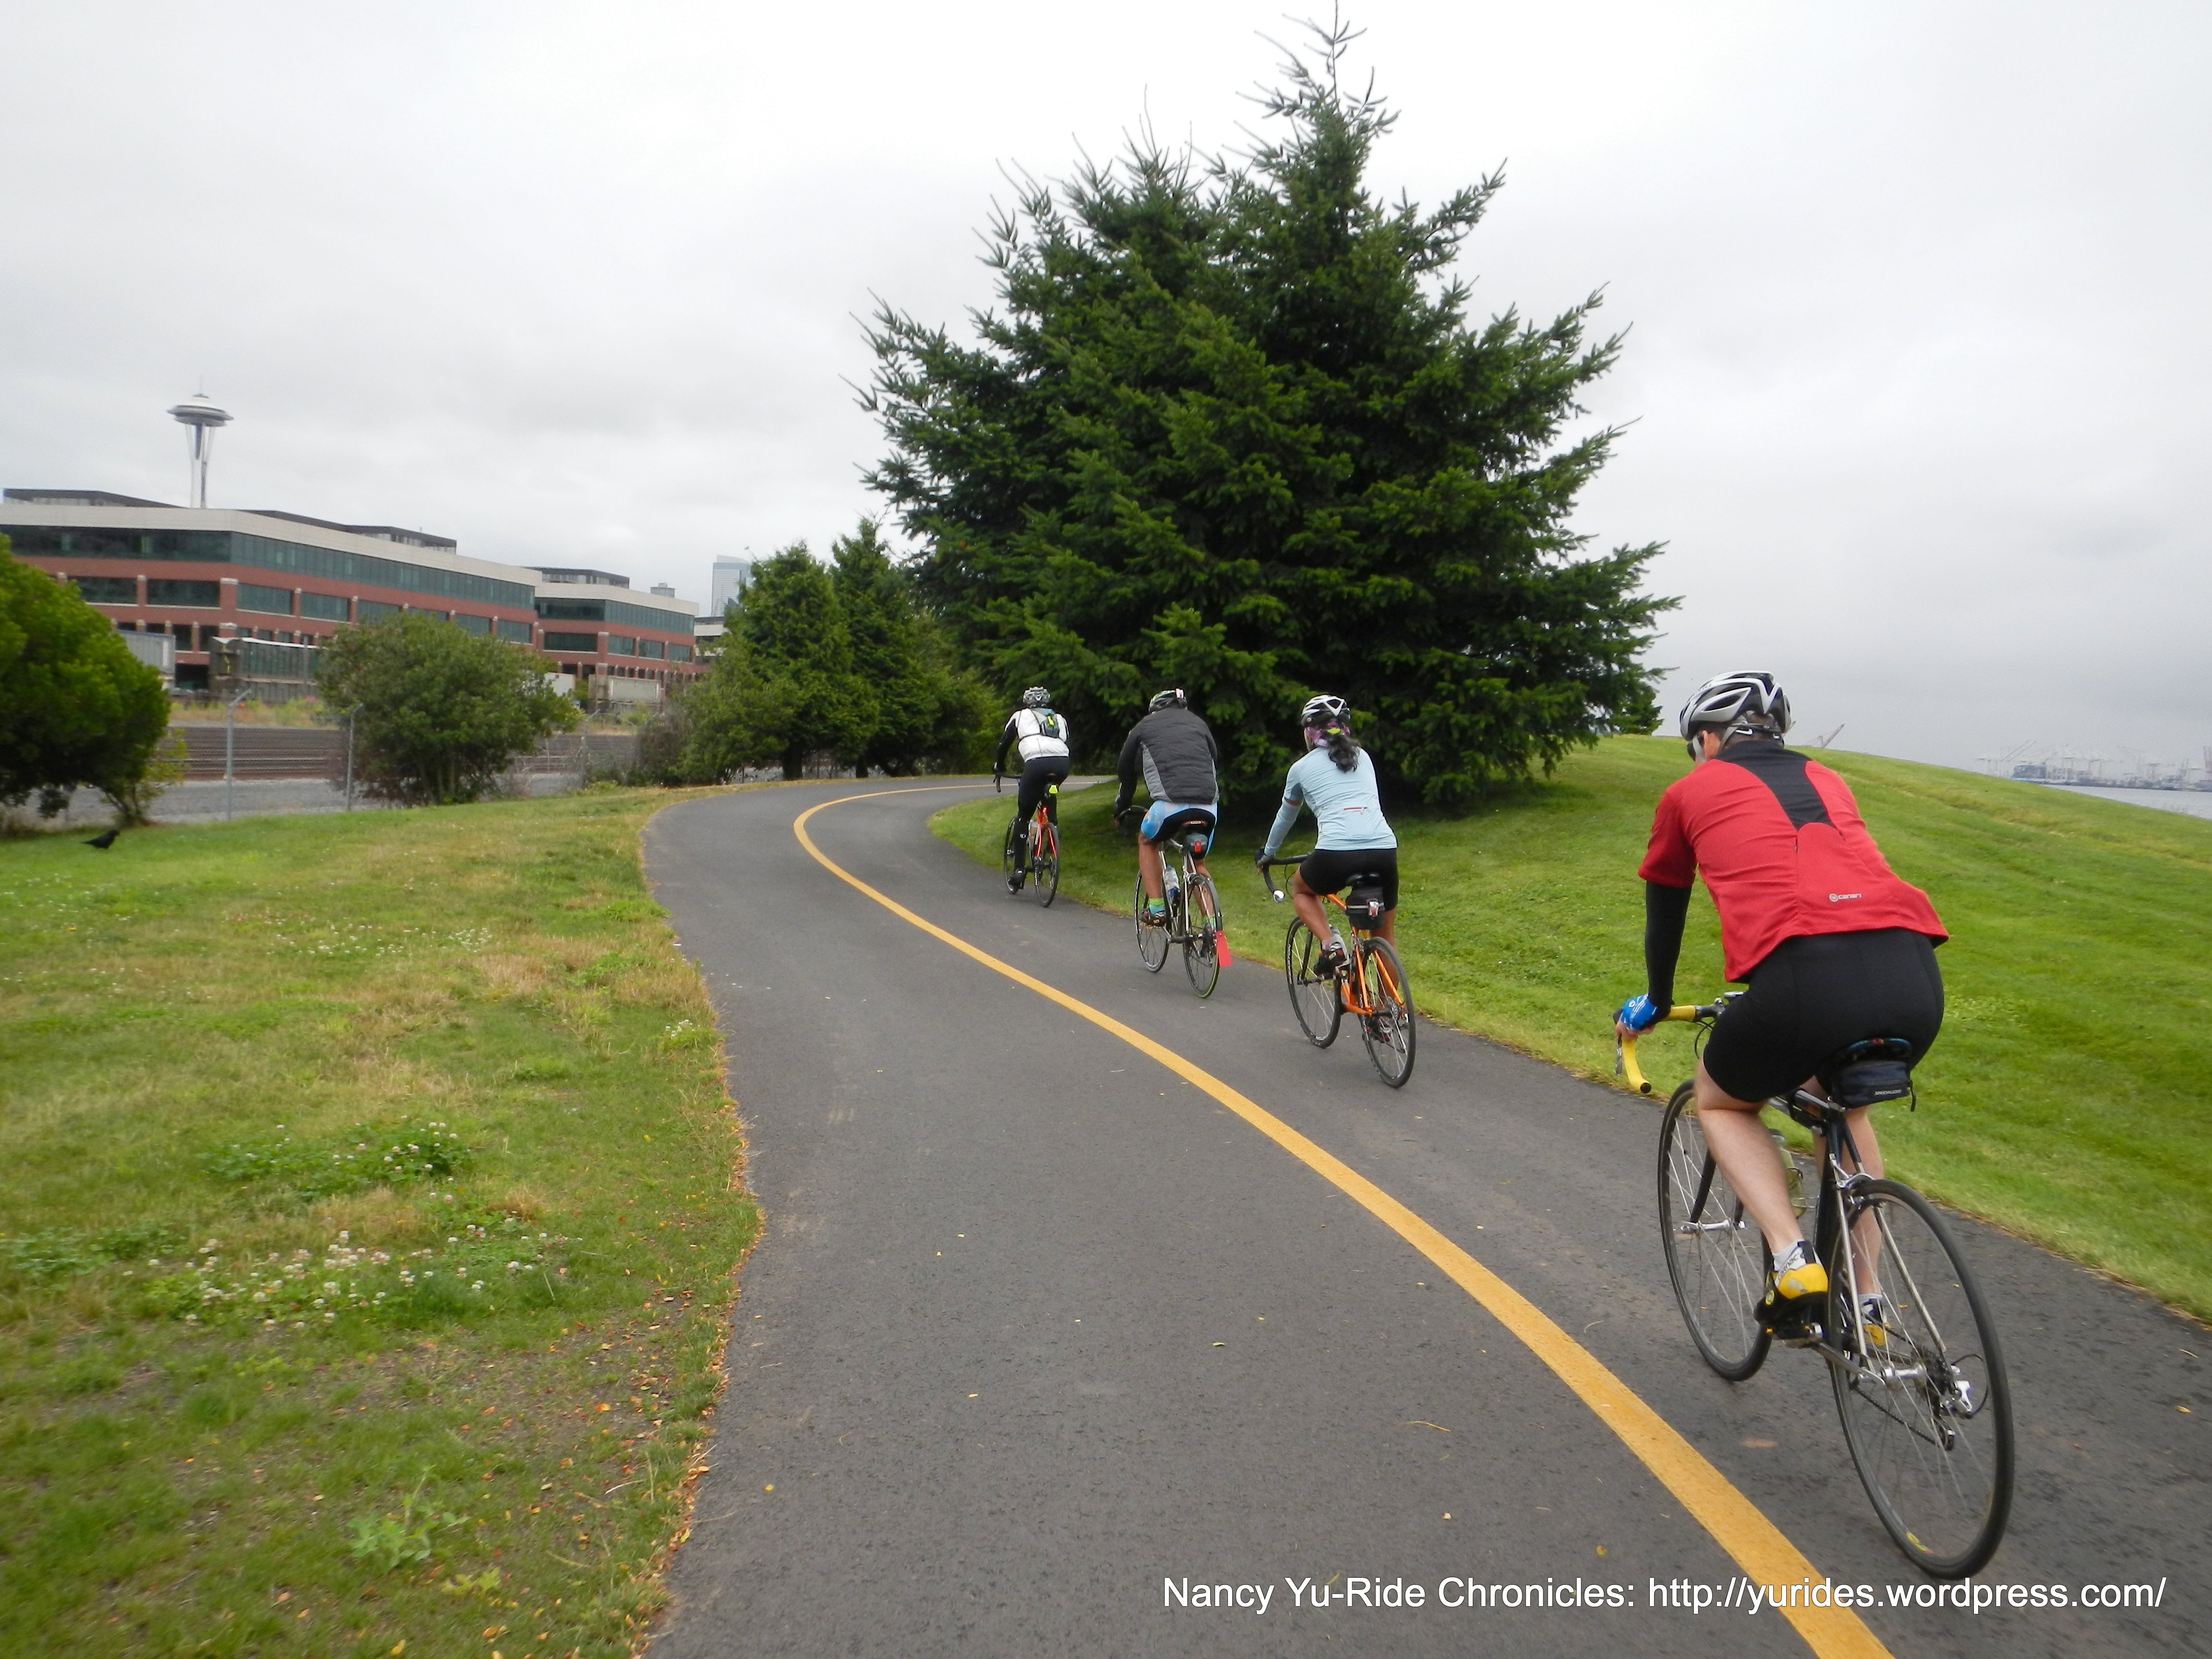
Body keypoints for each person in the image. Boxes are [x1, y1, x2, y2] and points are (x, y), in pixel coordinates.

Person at [1615, 671, 1947, 1339]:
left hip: (1805, 978)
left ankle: (1794, 1261)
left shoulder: (1688, 792)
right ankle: (1872, 1301)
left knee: (1720, 1100)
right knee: (1842, 1107)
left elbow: (1666, 908)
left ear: (1709, 739)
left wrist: (1658, 999)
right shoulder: (1828, 778)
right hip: (1913, 974)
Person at [1255, 696, 1399, 972]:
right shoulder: (1364, 757)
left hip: (1335, 853)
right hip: (1384, 849)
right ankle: (1393, 1010)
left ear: (1309, 731)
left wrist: (1268, 854)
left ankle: (1330, 945)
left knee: (1301, 889)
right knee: (1385, 937)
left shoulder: (1301, 768)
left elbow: (1286, 817)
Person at [1112, 688, 1220, 925]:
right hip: (1209, 806)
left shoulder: (1143, 726)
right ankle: (1213, 928)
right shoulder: (1199, 724)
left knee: (1147, 841)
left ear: (1155, 709)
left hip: (1169, 806)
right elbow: (1214, 759)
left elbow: (1126, 771)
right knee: (1197, 863)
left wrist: (1122, 805)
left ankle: (1157, 908)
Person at [994, 686, 1071, 893]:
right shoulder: (1059, 719)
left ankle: (1019, 870)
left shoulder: (1020, 716)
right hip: (1062, 763)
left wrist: (999, 766)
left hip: (1036, 764)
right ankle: (1051, 831)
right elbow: (1065, 742)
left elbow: (1005, 743)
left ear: (1027, 702)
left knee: (1024, 814)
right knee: (1049, 794)